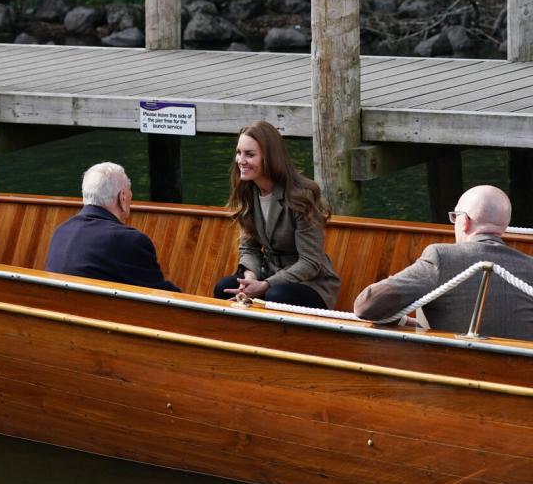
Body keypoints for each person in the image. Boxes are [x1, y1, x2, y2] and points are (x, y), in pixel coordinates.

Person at [354, 185, 533, 340]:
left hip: (452, 372)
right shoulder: (529, 266)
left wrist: (403, 321)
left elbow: (367, 305)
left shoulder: (441, 257)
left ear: (465, 221)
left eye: (455, 216)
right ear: (504, 224)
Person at [214, 121, 340, 308]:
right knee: (225, 287)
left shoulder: (301, 196)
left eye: (250, 154)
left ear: (270, 158)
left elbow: (310, 262)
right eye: (239, 152)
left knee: (276, 295)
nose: (241, 160)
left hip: (309, 283)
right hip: (267, 274)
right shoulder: (248, 191)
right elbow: (249, 248)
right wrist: (250, 278)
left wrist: (265, 285)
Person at [44, 162, 180, 292]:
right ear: (122, 198)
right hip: (100, 315)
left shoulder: (61, 231)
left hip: (59, 313)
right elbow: (160, 296)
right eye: (129, 191)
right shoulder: (129, 241)